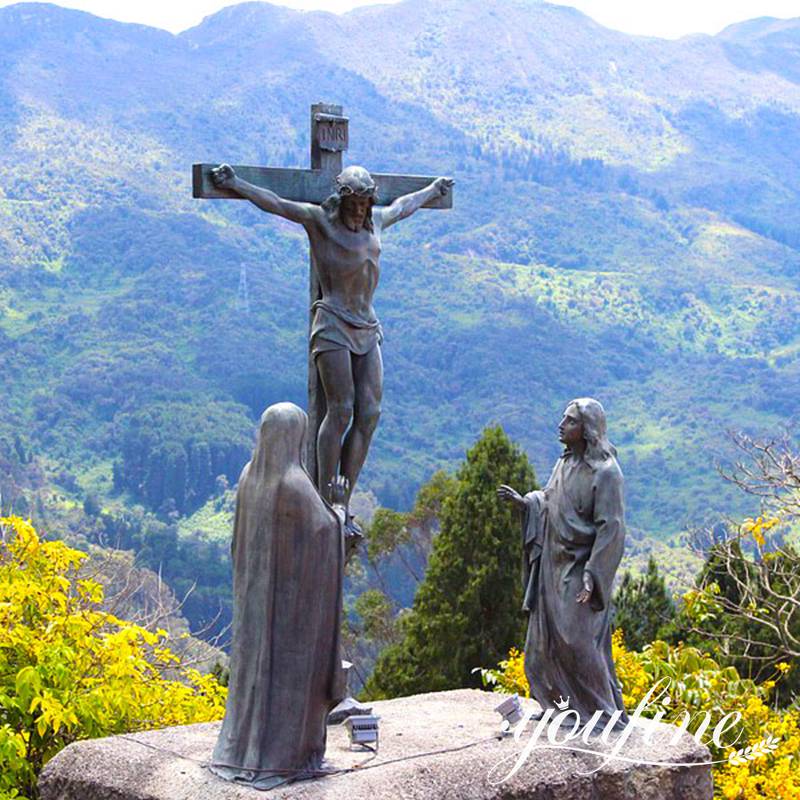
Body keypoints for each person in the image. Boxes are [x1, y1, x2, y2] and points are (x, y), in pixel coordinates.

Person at [210, 163, 453, 530]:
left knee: (370, 413)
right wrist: (236, 184)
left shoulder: (378, 222)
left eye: (364, 205)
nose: (359, 211)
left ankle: (345, 496)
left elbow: (405, 204)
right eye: (353, 205)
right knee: (340, 409)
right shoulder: (321, 224)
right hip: (333, 323)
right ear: (341, 202)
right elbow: (276, 203)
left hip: (367, 326)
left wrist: (433, 190)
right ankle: (326, 497)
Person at [209, 403, 350, 790]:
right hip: (290, 617)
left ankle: (238, 751)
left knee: (254, 679)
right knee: (288, 684)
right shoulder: (295, 483)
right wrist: (339, 508)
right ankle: (284, 757)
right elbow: (326, 534)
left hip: (254, 608)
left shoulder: (247, 478)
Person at [498, 398, 628, 727]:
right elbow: (549, 499)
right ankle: (561, 706)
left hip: (580, 569)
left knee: (578, 641)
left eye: (570, 421)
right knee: (543, 645)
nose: (561, 425)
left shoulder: (607, 473)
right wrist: (526, 503)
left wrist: (593, 574)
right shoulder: (565, 464)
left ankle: (602, 714)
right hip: (552, 565)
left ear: (587, 430)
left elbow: (611, 527)